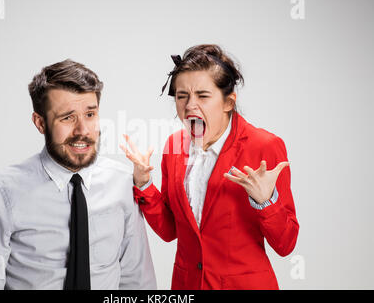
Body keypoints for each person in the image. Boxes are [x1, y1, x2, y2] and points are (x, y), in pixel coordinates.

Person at [0, 59, 156, 290]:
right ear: (40, 123)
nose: (82, 131)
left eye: (90, 114)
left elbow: (137, 280)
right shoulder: (1, 193)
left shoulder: (122, 183)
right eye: (67, 117)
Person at [121, 44, 299, 290]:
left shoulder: (263, 146)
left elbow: (286, 244)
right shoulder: (174, 146)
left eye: (203, 96)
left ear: (228, 102)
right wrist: (143, 183)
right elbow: (170, 230)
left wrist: (265, 201)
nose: (190, 105)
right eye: (182, 96)